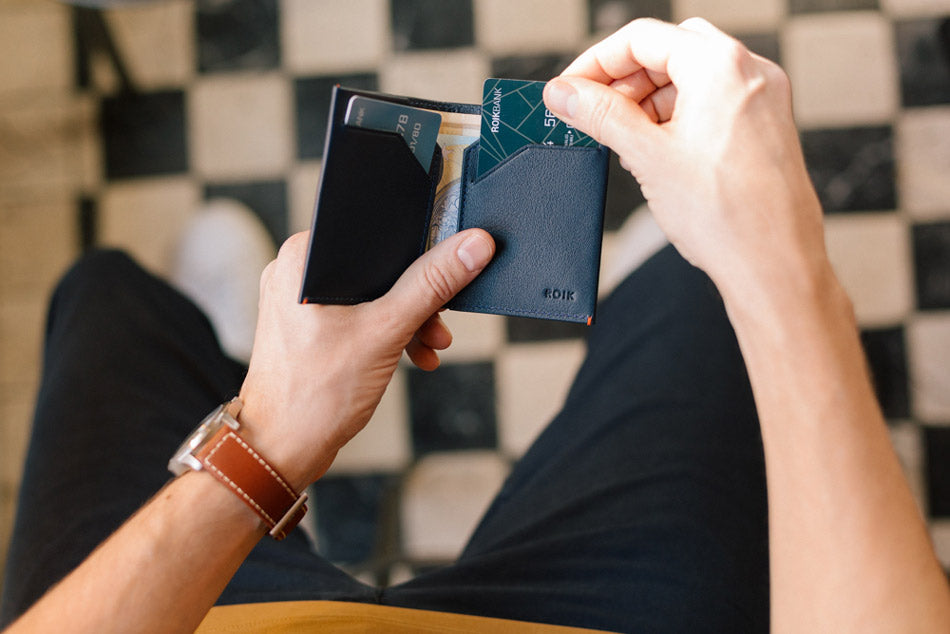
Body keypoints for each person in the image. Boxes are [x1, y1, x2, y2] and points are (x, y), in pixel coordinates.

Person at [2, 16, 949, 633]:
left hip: (208, 611)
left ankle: (230, 364)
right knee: (693, 301)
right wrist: (780, 268)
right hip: (605, 618)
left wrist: (270, 440)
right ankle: (663, 280)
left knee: (106, 303)